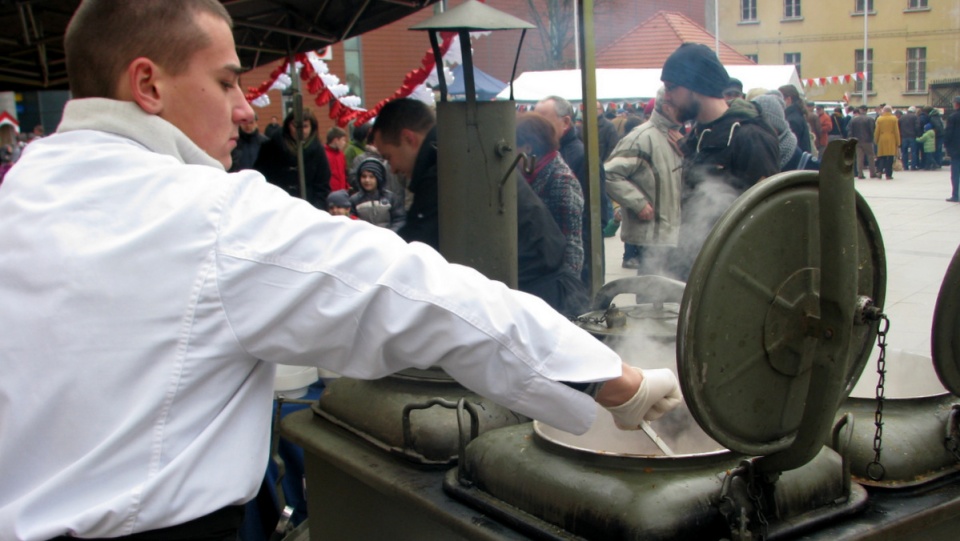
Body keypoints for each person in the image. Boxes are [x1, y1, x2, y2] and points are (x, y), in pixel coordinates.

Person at [0, 3, 683, 540]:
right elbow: (425, 296)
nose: (244, 107)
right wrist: (613, 380)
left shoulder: (20, 192)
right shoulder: (210, 214)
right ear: (148, 83)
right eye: (226, 80)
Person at [371, 99, 588, 316]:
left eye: (389, 157)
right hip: (537, 292)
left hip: (535, 298)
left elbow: (416, 250)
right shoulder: (460, 153)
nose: (392, 169)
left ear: (408, 139)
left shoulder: (446, 169)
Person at [659, 43, 780, 281]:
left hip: (734, 276)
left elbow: (768, 221)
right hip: (697, 266)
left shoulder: (749, 136)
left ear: (696, 86)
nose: (667, 96)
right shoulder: (698, 136)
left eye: (671, 87)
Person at [604, 86, 684, 277]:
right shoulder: (642, 137)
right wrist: (638, 203)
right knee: (651, 291)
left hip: (672, 234)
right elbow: (608, 173)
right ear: (667, 106)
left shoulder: (675, 136)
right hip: (652, 236)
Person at [515, 112, 586, 279]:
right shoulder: (531, 173)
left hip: (552, 279)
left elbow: (572, 245)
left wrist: (568, 287)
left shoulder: (561, 180)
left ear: (527, 148)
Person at [254, 109, 332, 209]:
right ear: (288, 125)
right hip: (277, 205)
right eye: (295, 126)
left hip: (307, 206)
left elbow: (322, 185)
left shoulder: (318, 151)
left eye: (305, 126)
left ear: (312, 128)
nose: (300, 130)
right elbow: (261, 176)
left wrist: (316, 208)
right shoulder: (272, 146)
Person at [348, 156, 406, 231]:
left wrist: (391, 232)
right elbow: (351, 221)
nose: (367, 180)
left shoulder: (390, 198)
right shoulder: (354, 200)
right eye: (364, 176)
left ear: (378, 178)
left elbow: (399, 219)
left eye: (371, 177)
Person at [777, 84, 813, 155]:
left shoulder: (792, 120)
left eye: (779, 99)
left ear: (788, 100)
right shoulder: (797, 114)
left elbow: (791, 149)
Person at [848, 105, 878, 179]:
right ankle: (872, 173)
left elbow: (850, 131)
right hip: (867, 140)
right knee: (870, 156)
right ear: (866, 110)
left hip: (857, 141)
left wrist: (852, 140)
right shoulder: (870, 119)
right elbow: (872, 130)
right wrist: (872, 139)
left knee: (859, 157)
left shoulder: (854, 120)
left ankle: (860, 173)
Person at [875, 105, 901, 180]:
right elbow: (896, 131)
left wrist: (876, 140)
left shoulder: (880, 119)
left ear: (884, 111)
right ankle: (888, 174)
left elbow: (877, 131)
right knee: (890, 157)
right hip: (891, 139)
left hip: (882, 139)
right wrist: (898, 142)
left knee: (881, 157)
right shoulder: (894, 119)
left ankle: (879, 171)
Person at [324, 125, 349, 193]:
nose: (345, 143)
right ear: (336, 140)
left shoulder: (341, 155)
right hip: (330, 193)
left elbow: (344, 173)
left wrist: (347, 187)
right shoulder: (324, 155)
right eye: (343, 140)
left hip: (343, 192)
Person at [944, 96, 960, 202]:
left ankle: (955, 195)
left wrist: (947, 145)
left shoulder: (953, 117)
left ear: (957, 104)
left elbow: (948, 132)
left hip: (956, 149)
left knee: (955, 173)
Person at [899, 105, 921, 171]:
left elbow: (899, 127)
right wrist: (918, 134)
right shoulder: (915, 117)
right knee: (913, 152)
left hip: (904, 137)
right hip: (912, 136)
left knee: (904, 152)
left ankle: (905, 166)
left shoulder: (902, 117)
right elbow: (917, 127)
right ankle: (913, 166)